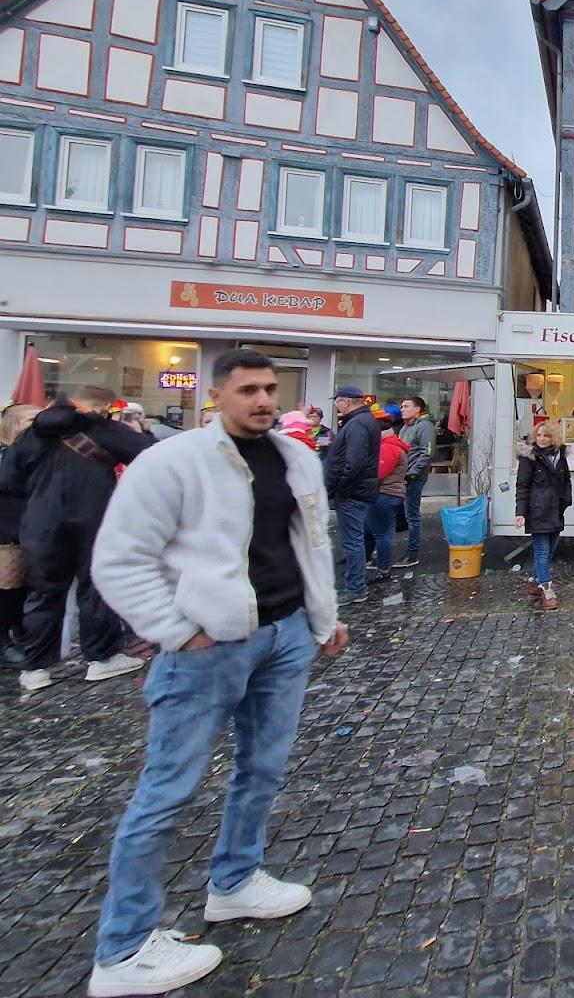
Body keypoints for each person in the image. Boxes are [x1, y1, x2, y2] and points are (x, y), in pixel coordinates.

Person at [85, 347, 349, 996]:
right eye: (248, 390)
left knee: (263, 768)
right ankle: (122, 950)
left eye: (269, 390)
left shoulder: (296, 458)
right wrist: (179, 630)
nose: (263, 400)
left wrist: (323, 618)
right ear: (217, 395)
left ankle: (235, 881)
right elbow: (118, 560)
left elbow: (309, 544)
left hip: (285, 635)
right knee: (167, 790)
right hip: (207, 647)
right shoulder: (171, 463)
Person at [0, 385, 154, 693]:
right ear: (97, 406)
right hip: (94, 520)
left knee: (43, 595)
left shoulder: (32, 433)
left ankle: (35, 668)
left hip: (41, 524)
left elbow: (8, 479)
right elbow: (152, 454)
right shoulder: (101, 427)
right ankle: (101, 658)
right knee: (95, 589)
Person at [323, 385, 381, 605]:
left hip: (352, 491)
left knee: (353, 541)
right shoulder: (363, 421)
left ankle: (355, 587)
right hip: (357, 489)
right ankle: (356, 584)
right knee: (355, 539)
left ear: (344, 402)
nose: (336, 406)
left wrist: (339, 485)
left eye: (336, 402)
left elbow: (354, 462)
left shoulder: (357, 424)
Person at [515, 420, 572, 611]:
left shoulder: (560, 456)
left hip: (555, 509)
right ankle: (547, 590)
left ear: (553, 437)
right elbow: (522, 486)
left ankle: (534, 582)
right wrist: (520, 512)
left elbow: (566, 480)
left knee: (551, 549)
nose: (541, 439)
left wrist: (566, 501)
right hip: (537, 510)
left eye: (546, 436)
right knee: (542, 551)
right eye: (538, 435)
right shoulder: (529, 457)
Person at [0, 404, 38, 668]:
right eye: (30, 420)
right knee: (6, 590)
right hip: (5, 531)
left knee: (21, 588)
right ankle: (3, 642)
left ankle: (18, 633)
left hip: (28, 530)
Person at [364, 418, 409, 583]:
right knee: (374, 531)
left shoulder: (388, 447)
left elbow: (377, 473)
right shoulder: (392, 445)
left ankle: (383, 570)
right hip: (389, 495)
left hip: (383, 494)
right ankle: (367, 563)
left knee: (381, 534)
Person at [396, 395, 435, 568]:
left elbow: (427, 452)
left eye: (406, 406)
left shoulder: (424, 426)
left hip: (413, 477)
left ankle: (412, 554)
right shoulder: (405, 427)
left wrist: (412, 473)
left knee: (412, 515)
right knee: (405, 514)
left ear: (417, 409)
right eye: (401, 406)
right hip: (402, 476)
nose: (402, 409)